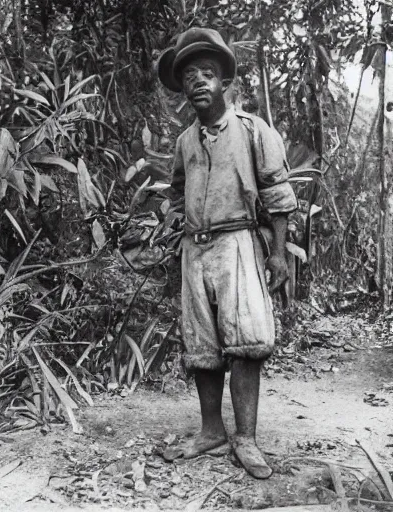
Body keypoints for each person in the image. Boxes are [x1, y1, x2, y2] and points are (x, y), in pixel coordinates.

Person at [156, 27, 298, 479]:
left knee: (247, 342)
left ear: (224, 83)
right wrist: (168, 228)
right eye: (190, 76)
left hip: (237, 244)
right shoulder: (184, 142)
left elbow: (277, 194)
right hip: (194, 251)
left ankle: (246, 438)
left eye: (208, 74)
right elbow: (178, 195)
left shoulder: (254, 131)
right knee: (203, 346)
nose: (198, 81)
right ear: (183, 88)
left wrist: (278, 254)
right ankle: (212, 430)